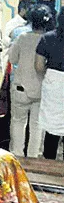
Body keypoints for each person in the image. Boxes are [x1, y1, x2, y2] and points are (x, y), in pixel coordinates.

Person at [8, 4, 53, 158]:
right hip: (41, 90)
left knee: (18, 122)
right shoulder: (49, 40)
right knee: (37, 126)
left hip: (21, 88)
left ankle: (17, 158)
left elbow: (12, 58)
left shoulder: (22, 37)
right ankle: (33, 158)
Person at [36, 9, 64, 160]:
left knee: (52, 129)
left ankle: (49, 164)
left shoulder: (48, 38)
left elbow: (39, 66)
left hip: (54, 83)